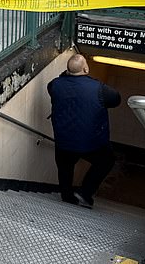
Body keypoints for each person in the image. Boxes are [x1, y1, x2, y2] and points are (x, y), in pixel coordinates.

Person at [47, 54, 121, 208]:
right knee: (107, 160)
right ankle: (85, 192)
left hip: (63, 140)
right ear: (86, 68)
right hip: (91, 143)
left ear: (67, 70)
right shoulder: (100, 89)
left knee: (65, 168)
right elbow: (116, 99)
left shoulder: (54, 85)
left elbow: (55, 87)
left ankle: (67, 197)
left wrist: (66, 75)